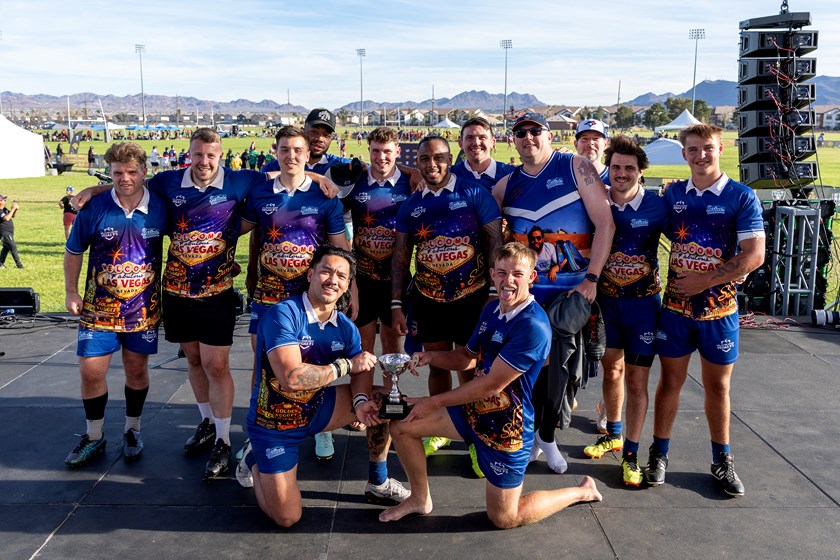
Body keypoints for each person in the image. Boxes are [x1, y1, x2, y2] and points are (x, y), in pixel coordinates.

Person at [379, 242, 602, 527]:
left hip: (506, 429)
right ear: (493, 275)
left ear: (532, 277)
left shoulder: (532, 326)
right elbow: (467, 357)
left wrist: (431, 401)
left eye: (517, 274)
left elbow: (490, 386)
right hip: (473, 412)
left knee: (505, 518)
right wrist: (430, 356)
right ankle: (419, 499)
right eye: (502, 272)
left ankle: (580, 491)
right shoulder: (492, 310)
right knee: (402, 425)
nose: (508, 280)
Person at [240, 244, 400, 527]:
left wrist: (361, 400)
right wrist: (346, 366)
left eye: (341, 276)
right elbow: (291, 379)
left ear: (347, 285)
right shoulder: (283, 314)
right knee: (287, 517)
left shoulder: (345, 326)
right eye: (326, 271)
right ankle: (253, 456)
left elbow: (361, 372)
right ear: (311, 274)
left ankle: (378, 480)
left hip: (316, 407)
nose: (332, 279)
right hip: (275, 423)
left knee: (384, 398)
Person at [646, 124, 765, 497]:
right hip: (676, 312)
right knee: (670, 384)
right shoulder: (674, 194)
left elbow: (755, 255)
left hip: (719, 312)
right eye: (693, 149)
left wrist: (706, 280)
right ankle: (659, 454)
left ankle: (722, 460)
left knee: (718, 387)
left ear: (721, 148)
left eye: (708, 148)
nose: (701, 156)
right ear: (684, 154)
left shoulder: (741, 197)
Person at [493, 111, 614, 473]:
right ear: (512, 140)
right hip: (524, 298)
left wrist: (591, 278)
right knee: (527, 371)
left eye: (534, 131)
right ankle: (532, 436)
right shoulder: (506, 184)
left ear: (548, 134)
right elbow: (479, 218)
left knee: (561, 375)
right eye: (520, 133)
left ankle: (546, 436)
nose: (527, 137)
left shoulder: (575, 167)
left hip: (569, 295)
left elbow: (605, 223)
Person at [391, 135, 502, 475]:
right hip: (428, 300)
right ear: (418, 161)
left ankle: (472, 437)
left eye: (438, 158)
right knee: (436, 365)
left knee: (469, 367)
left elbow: (495, 241)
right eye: (424, 159)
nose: (431, 165)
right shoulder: (411, 205)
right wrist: (396, 303)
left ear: (450, 158)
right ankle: (440, 429)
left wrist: (495, 294)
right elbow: (399, 259)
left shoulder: (473, 193)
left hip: (472, 299)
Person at [62, 142, 167, 467]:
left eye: (132, 172)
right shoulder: (94, 208)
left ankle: (132, 429)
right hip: (98, 310)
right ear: (109, 172)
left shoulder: (161, 206)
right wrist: (71, 291)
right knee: (91, 371)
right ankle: (94, 435)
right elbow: (74, 251)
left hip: (143, 310)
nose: (125, 179)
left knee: (136, 370)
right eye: (117, 173)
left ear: (144, 172)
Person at [579, 135, 667, 487]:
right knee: (611, 370)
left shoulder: (658, 205)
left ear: (641, 171)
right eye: (615, 166)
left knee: (636, 379)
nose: (621, 173)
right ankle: (612, 433)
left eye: (629, 168)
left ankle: (631, 452)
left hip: (644, 306)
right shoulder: (594, 200)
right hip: (606, 305)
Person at [337, 126, 412, 502]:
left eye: (387, 151)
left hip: (397, 279)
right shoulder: (358, 181)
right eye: (376, 151)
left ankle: (390, 399)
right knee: (362, 345)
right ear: (369, 151)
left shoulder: (409, 183)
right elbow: (333, 204)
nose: (381, 157)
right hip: (363, 279)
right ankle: (362, 404)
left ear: (398, 151)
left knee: (392, 344)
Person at [450, 117, 515, 192]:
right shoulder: (450, 176)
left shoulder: (511, 175)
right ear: (460, 144)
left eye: (482, 137)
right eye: (469, 138)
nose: (476, 143)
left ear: (492, 142)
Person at [574, 119, 610, 185]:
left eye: (596, 138)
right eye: (585, 138)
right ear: (576, 144)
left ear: (605, 144)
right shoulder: (567, 175)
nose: (590, 143)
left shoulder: (614, 177)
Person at [0, 195, 23, 269]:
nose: (5, 201)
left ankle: (0, 264)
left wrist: (15, 209)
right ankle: (19, 265)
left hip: (9, 233)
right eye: (4, 200)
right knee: (13, 247)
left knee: (6, 248)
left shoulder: (4, 209)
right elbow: (6, 218)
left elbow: (12, 216)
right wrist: (13, 209)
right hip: (5, 233)